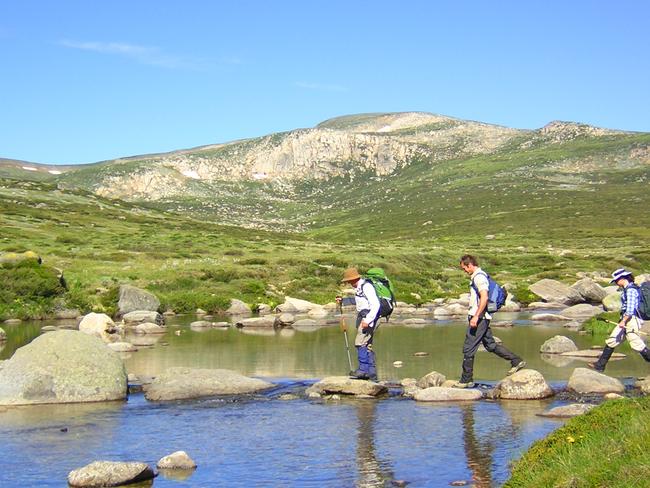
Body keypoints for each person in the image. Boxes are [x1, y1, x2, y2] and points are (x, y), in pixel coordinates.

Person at [453, 255, 526, 388]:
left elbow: (484, 297)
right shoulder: (480, 275)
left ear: (469, 265)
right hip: (483, 317)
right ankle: (516, 361)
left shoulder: (479, 277)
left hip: (479, 318)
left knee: (468, 348)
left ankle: (466, 380)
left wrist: (476, 316)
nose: (464, 271)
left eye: (464, 268)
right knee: (490, 345)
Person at [589, 268, 650, 372]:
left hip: (631, 320)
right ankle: (600, 365)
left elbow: (630, 310)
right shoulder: (627, 289)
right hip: (626, 320)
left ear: (623, 278)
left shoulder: (631, 290)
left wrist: (623, 321)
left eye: (616, 280)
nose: (616, 283)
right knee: (612, 340)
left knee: (636, 344)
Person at [337, 267, 381, 381]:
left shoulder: (366, 286)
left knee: (359, 343)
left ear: (354, 279)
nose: (348, 283)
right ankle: (372, 374)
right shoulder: (359, 287)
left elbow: (376, 305)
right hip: (365, 317)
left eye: (349, 281)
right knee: (367, 345)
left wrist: (368, 320)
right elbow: (357, 301)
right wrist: (343, 301)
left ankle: (363, 371)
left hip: (368, 318)